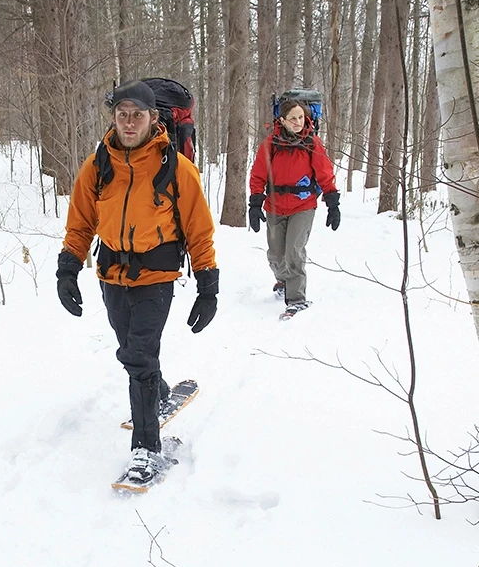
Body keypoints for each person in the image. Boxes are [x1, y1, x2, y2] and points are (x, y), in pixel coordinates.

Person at [56, 80, 219, 483]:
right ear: (114, 118)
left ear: (153, 119)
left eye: (138, 115)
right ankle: (158, 392)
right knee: (131, 348)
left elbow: (199, 231)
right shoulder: (98, 166)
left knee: (138, 357)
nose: (129, 123)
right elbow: (80, 223)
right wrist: (67, 269)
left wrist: (208, 285)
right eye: (122, 115)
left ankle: (147, 450)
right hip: (111, 275)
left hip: (157, 278)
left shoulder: (176, 169)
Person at [248, 98, 340, 316]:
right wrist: (255, 203)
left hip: (303, 206)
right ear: (282, 120)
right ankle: (282, 280)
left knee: (294, 253)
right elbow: (258, 175)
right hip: (274, 206)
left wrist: (332, 203)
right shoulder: (270, 144)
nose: (298, 122)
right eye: (293, 118)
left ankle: (296, 299)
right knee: (276, 254)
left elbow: (325, 174)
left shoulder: (312, 143)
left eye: (301, 117)